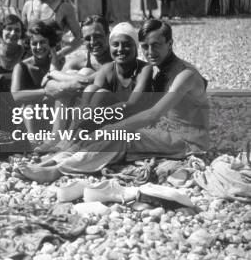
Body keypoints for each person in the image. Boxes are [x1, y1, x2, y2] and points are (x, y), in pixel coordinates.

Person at [17, 20, 209, 184]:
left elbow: (154, 113)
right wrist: (53, 77)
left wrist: (113, 126)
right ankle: (54, 160)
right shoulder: (158, 69)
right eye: (145, 46)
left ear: (170, 43)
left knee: (120, 135)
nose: (150, 52)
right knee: (105, 132)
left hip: (187, 140)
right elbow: (88, 82)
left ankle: (58, 170)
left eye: (156, 45)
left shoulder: (184, 74)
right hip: (164, 130)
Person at [21, 0, 82, 64]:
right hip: (32, 60)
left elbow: (79, 39)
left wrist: (60, 54)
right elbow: (22, 36)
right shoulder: (28, 6)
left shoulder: (64, 7)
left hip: (54, 60)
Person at [81, 22, 149, 111]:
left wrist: (96, 114)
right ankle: (85, 121)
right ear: (110, 47)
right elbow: (92, 99)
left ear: (136, 48)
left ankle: (88, 121)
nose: (120, 49)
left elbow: (133, 104)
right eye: (115, 45)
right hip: (110, 113)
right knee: (91, 89)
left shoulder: (145, 69)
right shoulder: (106, 69)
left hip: (134, 114)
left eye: (127, 45)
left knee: (101, 95)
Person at [10, 21, 60, 136]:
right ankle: (33, 144)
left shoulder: (59, 62)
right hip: (30, 118)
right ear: (29, 44)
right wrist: (46, 92)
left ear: (50, 43)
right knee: (29, 107)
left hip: (55, 114)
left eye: (42, 42)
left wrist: (54, 64)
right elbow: (15, 95)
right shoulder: (22, 67)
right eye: (34, 43)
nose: (38, 47)